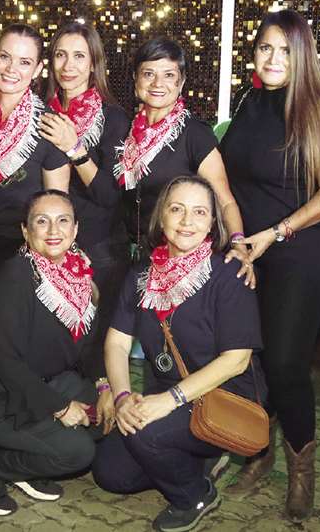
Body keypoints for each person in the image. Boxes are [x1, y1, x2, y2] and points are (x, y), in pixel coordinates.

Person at [220, 10, 320, 522]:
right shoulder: (252, 101)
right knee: (249, 361)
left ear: (304, 55)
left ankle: (302, 470)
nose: (273, 59)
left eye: (284, 50)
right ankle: (258, 453)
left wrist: (275, 233)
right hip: (248, 250)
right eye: (265, 49)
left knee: (286, 365)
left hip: (300, 250)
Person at [91, 176, 264, 532]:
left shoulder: (229, 274)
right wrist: (123, 396)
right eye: (177, 209)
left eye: (200, 212)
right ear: (162, 217)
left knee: (145, 436)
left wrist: (167, 402)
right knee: (111, 473)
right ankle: (193, 457)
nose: (187, 222)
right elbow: (117, 342)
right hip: (170, 397)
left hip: (223, 395)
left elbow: (237, 360)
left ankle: (195, 494)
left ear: (213, 223)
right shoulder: (141, 274)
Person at [0, 189, 103, 516]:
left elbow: (90, 347)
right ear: (25, 231)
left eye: (63, 221)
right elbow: (4, 361)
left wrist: (106, 387)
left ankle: (28, 462)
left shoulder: (79, 275)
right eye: (41, 221)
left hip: (42, 381)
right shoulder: (16, 276)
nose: (53, 231)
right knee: (77, 452)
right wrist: (61, 407)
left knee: (102, 415)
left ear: (76, 229)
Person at [116, 37, 252, 286]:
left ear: (182, 82)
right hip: (134, 259)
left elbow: (225, 200)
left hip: (180, 260)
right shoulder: (126, 132)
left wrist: (239, 243)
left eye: (169, 75)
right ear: (136, 80)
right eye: (148, 74)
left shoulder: (194, 134)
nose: (158, 83)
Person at [38, 21, 132, 372]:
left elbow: (111, 196)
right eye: (60, 55)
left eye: (79, 56)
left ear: (94, 64)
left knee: (94, 356)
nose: (68, 66)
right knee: (53, 347)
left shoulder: (114, 119)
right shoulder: (39, 115)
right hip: (50, 247)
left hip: (100, 252)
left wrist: (75, 148)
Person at [0, 23, 70, 272]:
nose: (11, 69)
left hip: (20, 253)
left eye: (24, 62)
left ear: (37, 69)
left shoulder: (50, 125)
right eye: (4, 57)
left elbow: (57, 203)